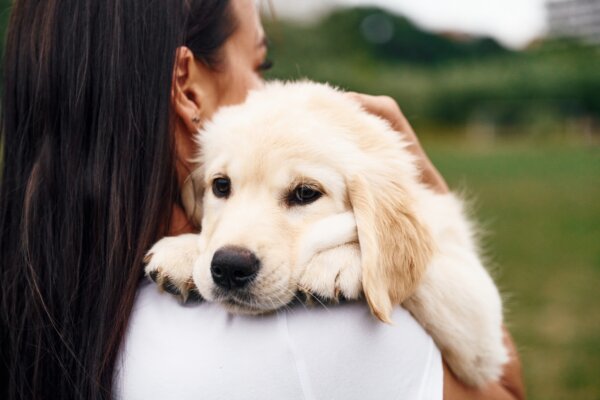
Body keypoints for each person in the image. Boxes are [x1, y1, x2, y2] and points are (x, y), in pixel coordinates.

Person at [0, 0, 524, 399]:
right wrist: (426, 189)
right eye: (262, 65)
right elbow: (502, 383)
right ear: (186, 87)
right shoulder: (319, 329)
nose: (272, 96)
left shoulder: (47, 292)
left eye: (301, 193)